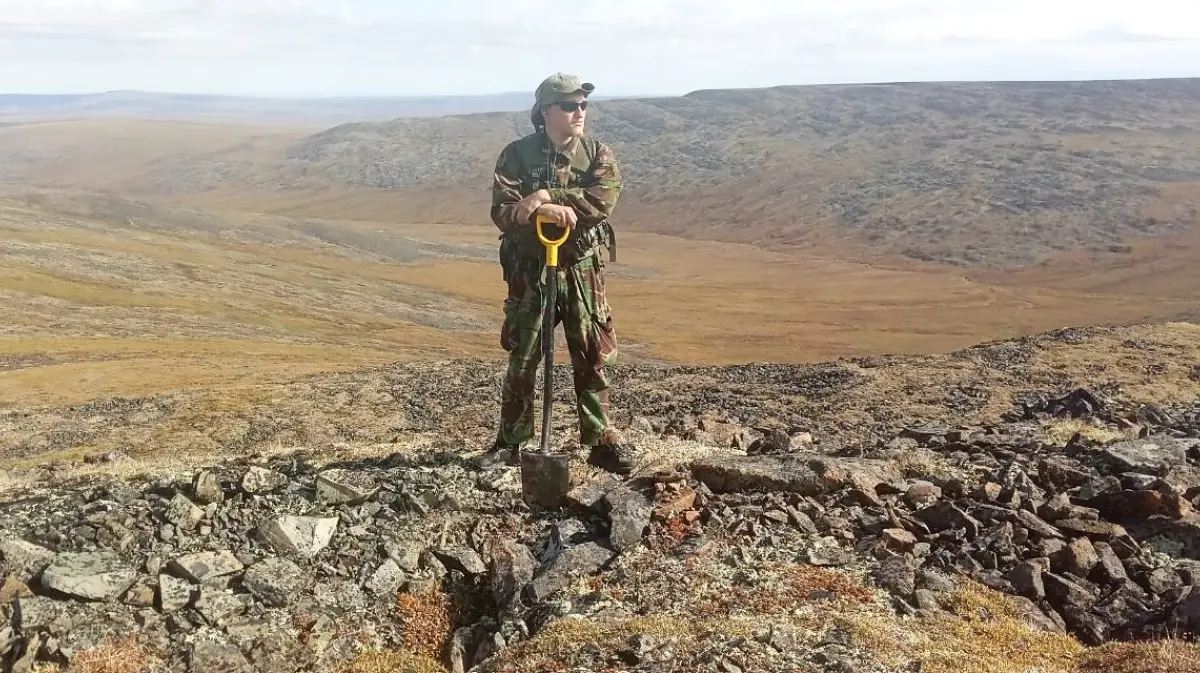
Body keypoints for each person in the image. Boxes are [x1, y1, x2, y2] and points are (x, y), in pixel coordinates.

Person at [486, 72, 635, 475]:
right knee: (524, 356)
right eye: (569, 106)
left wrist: (546, 195)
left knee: (592, 354)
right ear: (546, 111)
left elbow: (601, 201)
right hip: (530, 269)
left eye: (583, 105)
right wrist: (538, 210)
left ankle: (600, 439)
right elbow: (502, 211)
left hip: (581, 270)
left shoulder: (598, 153)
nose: (579, 113)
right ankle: (510, 442)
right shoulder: (516, 155)